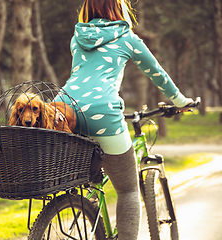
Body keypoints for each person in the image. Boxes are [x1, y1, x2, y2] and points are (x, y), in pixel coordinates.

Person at [56, 0, 192, 239]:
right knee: (128, 190)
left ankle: (84, 206)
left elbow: (84, 75)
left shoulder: (77, 37)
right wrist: (181, 101)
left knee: (90, 174)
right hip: (103, 111)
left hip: (65, 108)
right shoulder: (126, 37)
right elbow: (157, 73)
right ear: (118, 8)